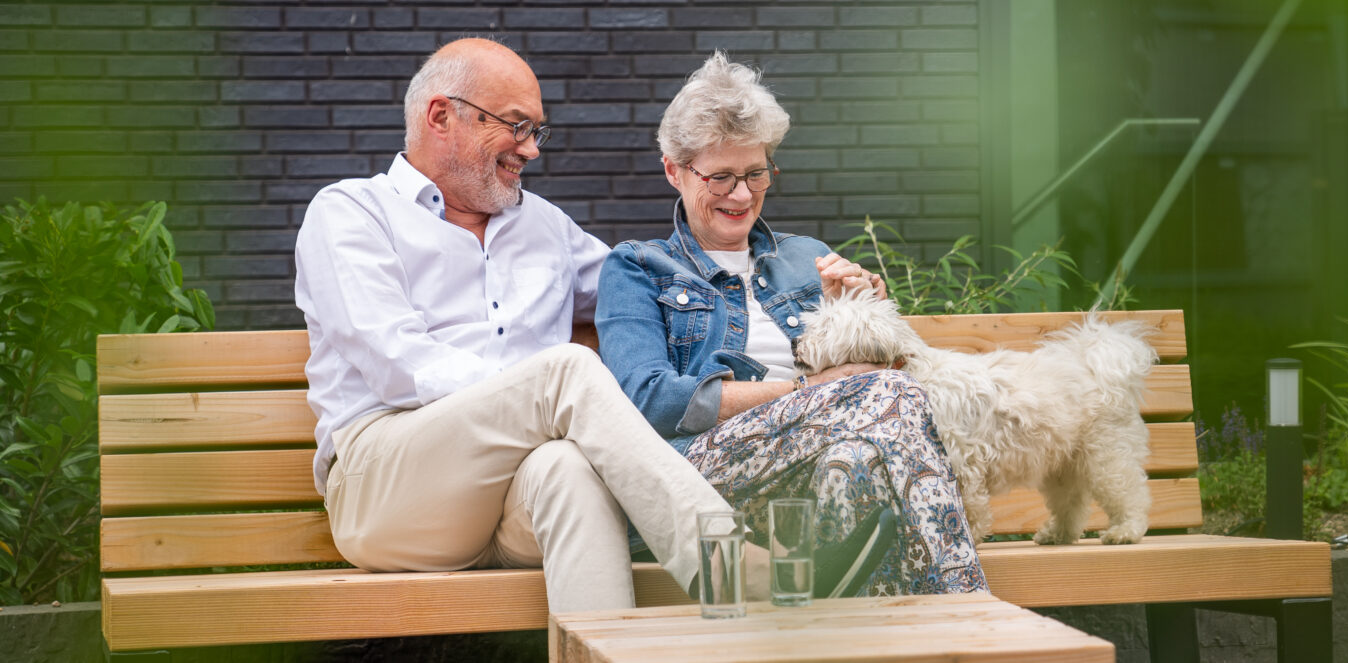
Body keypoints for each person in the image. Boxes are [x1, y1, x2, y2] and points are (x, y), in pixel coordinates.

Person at [294, 38, 886, 613]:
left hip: (512, 495)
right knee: (564, 372)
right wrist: (531, 393)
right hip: (391, 489)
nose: (532, 149)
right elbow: (400, 366)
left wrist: (839, 301)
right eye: (516, 126)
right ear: (442, 115)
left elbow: (662, 288)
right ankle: (728, 567)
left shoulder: (546, 227)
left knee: (570, 468)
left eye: (537, 132)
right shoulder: (351, 213)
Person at [595, 51, 989, 596]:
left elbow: (887, 374)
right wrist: (808, 390)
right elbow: (650, 401)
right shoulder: (637, 266)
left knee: (857, 462)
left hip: (813, 472)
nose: (741, 194)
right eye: (721, 177)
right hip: (694, 477)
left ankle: (854, 633)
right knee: (885, 401)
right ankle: (965, 614)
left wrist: (866, 308)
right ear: (674, 170)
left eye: (756, 173)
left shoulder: (808, 257)